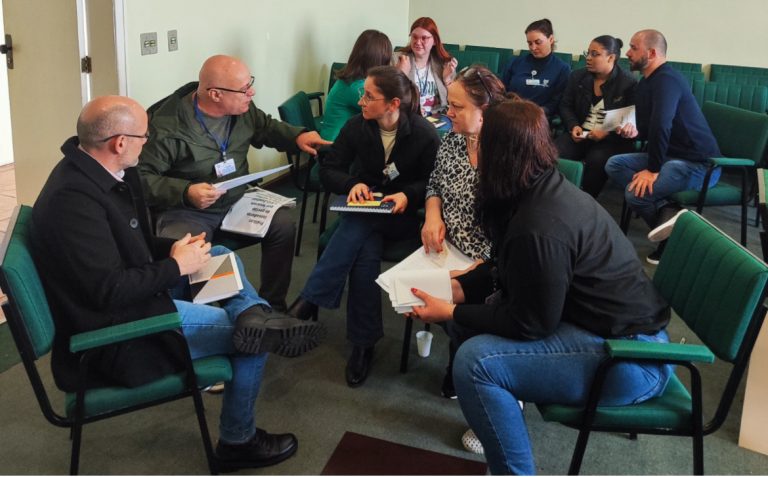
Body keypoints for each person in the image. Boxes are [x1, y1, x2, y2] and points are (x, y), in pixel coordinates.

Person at [30, 96, 325, 470]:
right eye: (144, 136)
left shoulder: (99, 174)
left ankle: (254, 312)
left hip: (136, 299)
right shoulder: (74, 201)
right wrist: (175, 267)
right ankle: (238, 441)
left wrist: (172, 250)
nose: (148, 142)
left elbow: (127, 248)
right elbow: (108, 291)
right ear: (119, 143)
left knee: (217, 253)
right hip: (116, 334)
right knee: (253, 338)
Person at [408, 100, 672, 475]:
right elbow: (510, 270)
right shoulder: (539, 188)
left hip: (632, 359)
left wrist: (450, 310)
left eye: (482, 143)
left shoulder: (539, 225)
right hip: (608, 331)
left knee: (475, 362)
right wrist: (457, 287)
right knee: (473, 325)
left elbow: (530, 323)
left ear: (499, 154)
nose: (475, 151)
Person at [138, 55, 332, 311]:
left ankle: (274, 307)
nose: (251, 92)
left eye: (250, 84)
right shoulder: (166, 127)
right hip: (187, 210)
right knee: (186, 253)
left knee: (283, 226)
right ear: (215, 94)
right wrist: (185, 192)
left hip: (235, 198)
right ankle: (201, 320)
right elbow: (141, 179)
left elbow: (266, 127)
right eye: (244, 89)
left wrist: (297, 137)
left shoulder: (242, 108)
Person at [288, 66, 440, 387]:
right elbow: (329, 169)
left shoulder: (424, 134)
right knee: (364, 251)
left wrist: (407, 194)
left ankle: (311, 298)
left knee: (358, 224)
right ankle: (362, 343)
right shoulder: (357, 127)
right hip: (366, 209)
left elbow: (434, 184)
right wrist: (352, 184)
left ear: (393, 104)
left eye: (369, 96)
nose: (361, 102)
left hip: (404, 217)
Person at [421, 64, 507, 398]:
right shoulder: (452, 141)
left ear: (484, 112)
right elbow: (435, 183)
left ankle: (466, 360)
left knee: (462, 304)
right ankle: (463, 351)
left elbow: (516, 225)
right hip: (448, 248)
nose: (448, 112)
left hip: (489, 259)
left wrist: (485, 266)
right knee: (420, 294)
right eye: (449, 104)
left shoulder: (505, 155)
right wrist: (432, 216)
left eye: (457, 107)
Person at [605, 30, 721, 264]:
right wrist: (634, 131)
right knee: (614, 164)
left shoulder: (668, 80)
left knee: (635, 195)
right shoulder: (646, 82)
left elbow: (661, 126)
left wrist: (652, 170)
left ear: (651, 53)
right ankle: (669, 210)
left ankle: (671, 243)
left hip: (700, 165)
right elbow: (647, 127)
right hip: (670, 157)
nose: (627, 53)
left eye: (633, 48)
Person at [555, 35, 637, 197]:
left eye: (595, 54)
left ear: (611, 58)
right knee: (553, 152)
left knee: (597, 160)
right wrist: (573, 125)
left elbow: (630, 118)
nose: (588, 58)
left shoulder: (628, 83)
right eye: (588, 53)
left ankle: (585, 199)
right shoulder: (577, 76)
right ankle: (557, 195)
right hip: (581, 133)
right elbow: (565, 105)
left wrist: (606, 132)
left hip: (611, 140)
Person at [320, 30, 393, 142]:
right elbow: (387, 112)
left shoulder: (352, 80)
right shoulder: (356, 87)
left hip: (343, 140)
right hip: (336, 146)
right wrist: (400, 75)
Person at [501, 18, 570, 118]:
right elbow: (502, 92)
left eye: (538, 42)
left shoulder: (562, 69)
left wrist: (536, 112)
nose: (533, 48)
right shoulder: (514, 63)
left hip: (538, 119)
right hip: (510, 114)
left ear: (551, 39)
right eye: (530, 43)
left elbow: (556, 102)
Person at [394, 17, 458, 116]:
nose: (418, 42)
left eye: (424, 38)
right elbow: (389, 97)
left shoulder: (444, 64)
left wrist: (447, 79)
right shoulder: (397, 59)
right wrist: (400, 75)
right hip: (409, 116)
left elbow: (455, 101)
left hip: (437, 116)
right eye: (414, 37)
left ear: (435, 41)